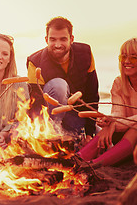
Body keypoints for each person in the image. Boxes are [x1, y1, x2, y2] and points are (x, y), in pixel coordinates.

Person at [26, 16, 99, 141]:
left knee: (104, 142)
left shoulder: (85, 53)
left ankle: (77, 137)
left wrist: (89, 132)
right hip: (49, 120)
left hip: (76, 118)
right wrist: (40, 136)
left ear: (71, 39)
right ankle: (55, 135)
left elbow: (92, 94)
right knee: (59, 85)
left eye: (63, 39)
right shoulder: (34, 61)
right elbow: (36, 105)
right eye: (53, 39)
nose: (58, 45)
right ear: (46, 40)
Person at [77, 38, 137, 167]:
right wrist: (108, 121)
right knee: (107, 128)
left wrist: (114, 124)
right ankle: (78, 159)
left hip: (133, 136)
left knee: (135, 129)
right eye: (124, 56)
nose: (127, 61)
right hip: (125, 137)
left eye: (133, 57)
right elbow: (118, 112)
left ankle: (94, 164)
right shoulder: (119, 83)